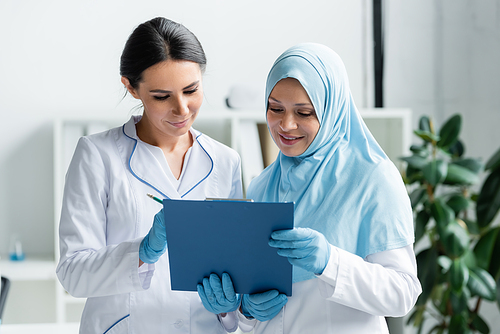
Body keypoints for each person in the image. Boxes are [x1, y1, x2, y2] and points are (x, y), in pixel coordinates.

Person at [56, 17, 242, 333]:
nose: (182, 109)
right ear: (131, 87)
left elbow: (233, 269)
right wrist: (141, 252)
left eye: (191, 90)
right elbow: (73, 273)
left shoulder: (225, 161)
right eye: (161, 96)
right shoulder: (97, 155)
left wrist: (229, 307)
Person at [237, 43, 422, 333]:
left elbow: (402, 293)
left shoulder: (373, 178)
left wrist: (329, 261)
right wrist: (245, 309)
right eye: (275, 109)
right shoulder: (261, 185)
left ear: (331, 108)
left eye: (305, 112)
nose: (286, 124)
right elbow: (252, 306)